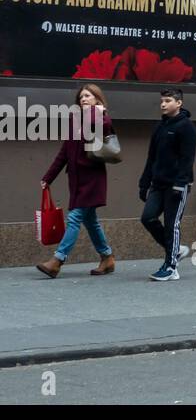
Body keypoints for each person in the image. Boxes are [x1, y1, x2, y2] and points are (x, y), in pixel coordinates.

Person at [36, 84, 117, 279]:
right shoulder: (74, 120)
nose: (83, 99)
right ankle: (107, 258)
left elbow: (104, 130)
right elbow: (64, 152)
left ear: (97, 99)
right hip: (77, 180)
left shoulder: (101, 118)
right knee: (90, 221)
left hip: (93, 180)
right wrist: (48, 177)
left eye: (88, 96)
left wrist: (96, 112)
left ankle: (57, 261)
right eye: (81, 97)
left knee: (74, 218)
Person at [138, 87, 196, 281]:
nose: (163, 104)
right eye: (162, 101)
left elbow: (187, 159)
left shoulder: (187, 127)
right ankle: (176, 250)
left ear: (179, 103)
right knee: (148, 218)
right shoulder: (160, 127)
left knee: (172, 225)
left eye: (168, 101)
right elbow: (151, 157)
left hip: (177, 185)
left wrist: (180, 184)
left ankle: (171, 266)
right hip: (158, 183)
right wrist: (144, 183)